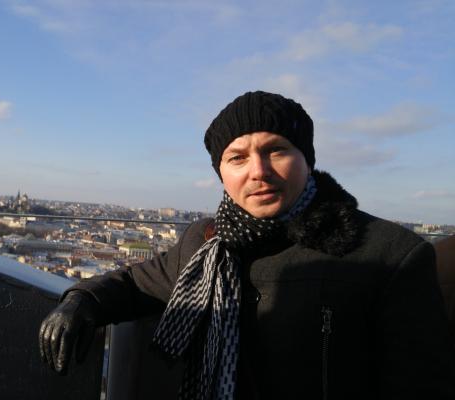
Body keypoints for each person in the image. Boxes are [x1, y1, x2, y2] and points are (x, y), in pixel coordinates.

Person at [38, 91, 455, 399]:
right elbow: (135, 283)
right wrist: (81, 301)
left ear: (307, 160)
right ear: (221, 173)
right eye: (237, 158)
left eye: (276, 150)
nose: (258, 171)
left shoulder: (388, 255)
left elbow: (419, 386)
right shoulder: (204, 242)